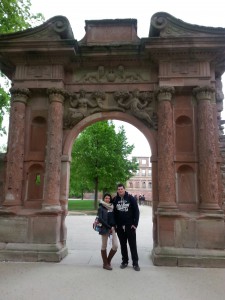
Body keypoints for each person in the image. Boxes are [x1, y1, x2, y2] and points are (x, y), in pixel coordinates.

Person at [113, 183, 140, 271]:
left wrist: (135, 224)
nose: (120, 190)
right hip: (120, 226)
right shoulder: (115, 200)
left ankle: (135, 263)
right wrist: (115, 225)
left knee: (132, 245)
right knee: (123, 245)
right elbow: (113, 213)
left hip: (130, 226)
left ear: (124, 189)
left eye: (121, 189)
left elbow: (136, 211)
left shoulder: (131, 198)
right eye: (119, 189)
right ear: (117, 190)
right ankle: (125, 261)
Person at [97, 193, 118, 270]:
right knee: (104, 246)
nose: (107, 199)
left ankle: (107, 261)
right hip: (105, 228)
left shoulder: (112, 207)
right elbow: (100, 219)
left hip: (112, 229)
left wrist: (114, 226)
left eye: (109, 198)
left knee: (115, 246)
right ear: (103, 199)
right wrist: (109, 227)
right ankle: (105, 264)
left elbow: (114, 218)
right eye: (106, 198)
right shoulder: (101, 207)